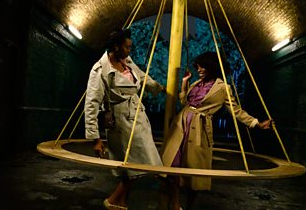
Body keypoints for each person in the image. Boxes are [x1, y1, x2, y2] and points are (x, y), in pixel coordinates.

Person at [159, 51, 272, 210]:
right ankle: (175, 205)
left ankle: (189, 206)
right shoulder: (195, 84)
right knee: (172, 166)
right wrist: (185, 82)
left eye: (202, 67)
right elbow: (183, 99)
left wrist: (256, 123)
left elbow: (236, 110)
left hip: (200, 129)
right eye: (198, 66)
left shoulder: (223, 88)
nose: (199, 70)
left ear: (212, 67)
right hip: (180, 126)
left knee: (195, 172)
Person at [84, 28, 166, 210]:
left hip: (138, 117)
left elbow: (141, 76)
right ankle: (113, 200)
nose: (130, 51)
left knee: (135, 167)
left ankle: (120, 203)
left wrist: (159, 88)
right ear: (116, 46)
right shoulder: (100, 71)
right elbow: (91, 104)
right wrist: (95, 139)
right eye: (127, 47)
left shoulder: (126, 61)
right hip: (121, 124)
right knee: (138, 166)